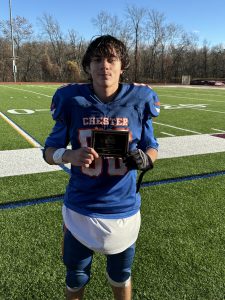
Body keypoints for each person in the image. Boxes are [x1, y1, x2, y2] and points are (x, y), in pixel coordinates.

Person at [43, 35, 160, 300]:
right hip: (81, 208)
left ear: (122, 65)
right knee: (76, 276)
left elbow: (152, 146)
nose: (104, 66)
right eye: (97, 59)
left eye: (111, 59)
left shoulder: (139, 99)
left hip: (123, 208)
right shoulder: (71, 99)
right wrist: (69, 155)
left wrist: (146, 158)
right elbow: (48, 152)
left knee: (121, 275)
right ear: (88, 66)